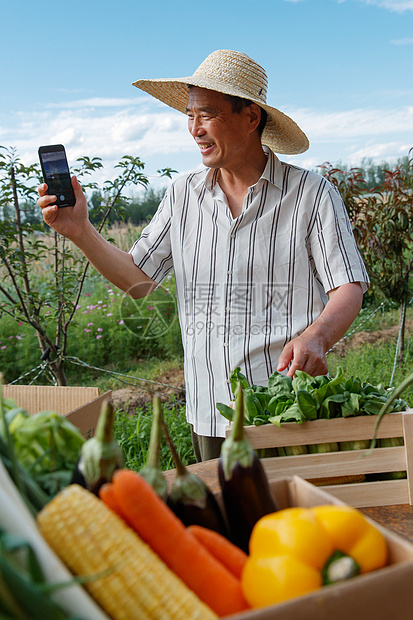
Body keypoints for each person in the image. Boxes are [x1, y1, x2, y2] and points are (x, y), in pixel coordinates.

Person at [38, 49, 369, 462]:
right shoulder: (182, 195)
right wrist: (80, 231)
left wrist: (317, 337)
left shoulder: (312, 194)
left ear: (251, 118)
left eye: (207, 114)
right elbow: (136, 280)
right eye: (190, 115)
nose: (194, 129)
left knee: (294, 524)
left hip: (288, 410)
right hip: (210, 414)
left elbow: (348, 287)